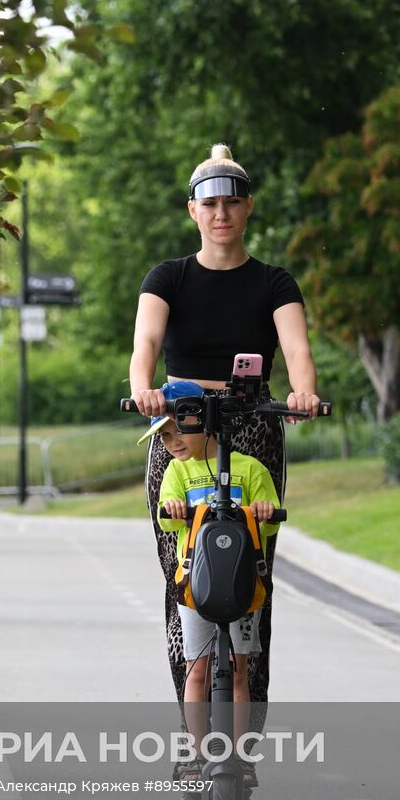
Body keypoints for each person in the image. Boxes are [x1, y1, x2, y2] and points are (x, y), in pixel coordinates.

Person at [128, 143, 320, 713]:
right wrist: (143, 385)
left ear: (248, 209)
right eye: (210, 204)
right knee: (183, 577)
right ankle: (191, 723)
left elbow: (297, 347)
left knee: (250, 582)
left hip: (253, 425)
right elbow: (146, 343)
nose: (221, 214)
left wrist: (302, 391)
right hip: (182, 422)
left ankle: (245, 729)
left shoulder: (274, 283)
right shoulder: (168, 277)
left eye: (232, 204)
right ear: (193, 211)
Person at [150, 399, 280, 783]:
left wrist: (265, 512)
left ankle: (240, 758)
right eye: (165, 436)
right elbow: (167, 519)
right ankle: (194, 754)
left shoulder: (250, 468)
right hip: (195, 585)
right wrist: (171, 507)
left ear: (205, 426)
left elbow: (270, 520)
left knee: (240, 671)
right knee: (197, 671)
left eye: (178, 431)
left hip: (240, 583)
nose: (172, 442)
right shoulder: (177, 471)